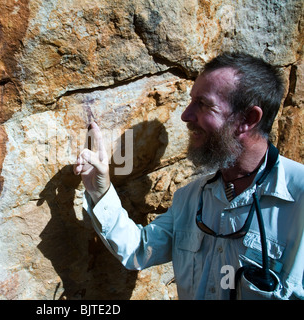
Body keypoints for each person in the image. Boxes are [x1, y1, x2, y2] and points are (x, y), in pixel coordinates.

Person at [73, 52, 304, 300]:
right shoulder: (190, 198)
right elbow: (139, 249)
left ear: (247, 118)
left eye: (203, 104)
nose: (185, 115)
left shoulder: (299, 199)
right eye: (191, 101)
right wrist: (100, 190)